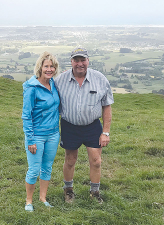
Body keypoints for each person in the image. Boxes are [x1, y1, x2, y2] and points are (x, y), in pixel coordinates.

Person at [54, 47, 114, 204]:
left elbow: (107, 106)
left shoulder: (100, 79)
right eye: (76, 60)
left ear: (88, 61)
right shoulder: (60, 80)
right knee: (70, 160)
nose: (80, 63)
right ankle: (68, 190)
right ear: (71, 62)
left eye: (83, 60)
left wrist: (105, 132)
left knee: (96, 161)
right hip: (69, 126)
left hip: (92, 126)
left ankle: (94, 192)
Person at [21, 52, 60, 212]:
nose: (49, 69)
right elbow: (26, 115)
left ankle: (43, 198)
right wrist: (30, 139)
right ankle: (28, 201)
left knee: (47, 167)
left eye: (52, 66)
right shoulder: (32, 89)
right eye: (46, 66)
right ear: (40, 68)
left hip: (53, 134)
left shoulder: (54, 85)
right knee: (34, 169)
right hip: (36, 135)